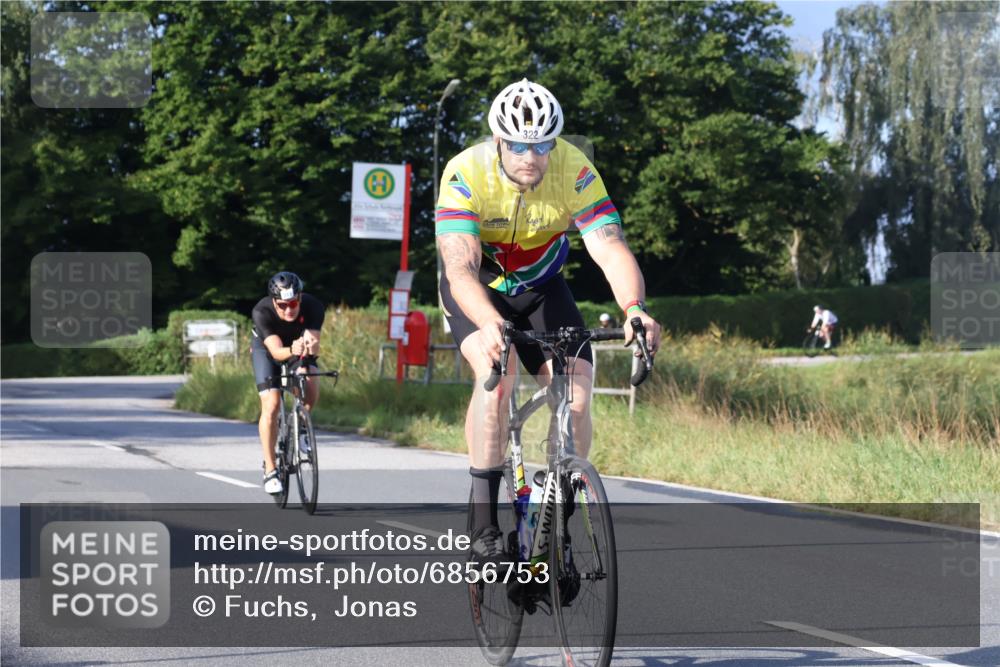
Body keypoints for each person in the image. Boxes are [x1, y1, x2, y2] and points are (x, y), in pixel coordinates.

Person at [435, 78, 662, 559]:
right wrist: (488, 321)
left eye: (542, 145)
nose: (531, 157)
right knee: (497, 381)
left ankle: (556, 507)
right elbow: (458, 268)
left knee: (577, 391)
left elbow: (609, 247)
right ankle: (483, 524)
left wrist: (634, 310)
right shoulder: (464, 172)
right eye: (518, 145)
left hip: (542, 288)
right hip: (478, 291)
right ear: (498, 139)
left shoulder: (575, 170)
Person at [251, 271, 325, 494]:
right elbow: (275, 352)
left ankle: (301, 425)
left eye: (293, 303)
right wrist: (293, 349)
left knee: (309, 380)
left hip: (297, 347)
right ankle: (270, 469)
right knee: (271, 404)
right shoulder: (262, 311)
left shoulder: (313, 306)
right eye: (282, 305)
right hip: (267, 350)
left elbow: (313, 346)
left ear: (300, 298)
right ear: (274, 302)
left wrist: (309, 349)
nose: (288, 309)